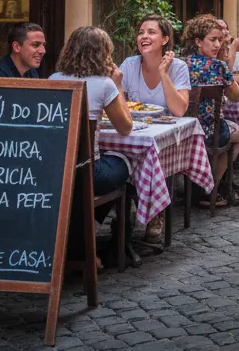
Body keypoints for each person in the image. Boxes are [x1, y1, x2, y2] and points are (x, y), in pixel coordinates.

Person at [48, 26, 135, 268]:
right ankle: (101, 236)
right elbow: (125, 128)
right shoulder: (104, 84)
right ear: (103, 53)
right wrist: (117, 85)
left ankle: (80, 238)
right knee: (124, 165)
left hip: (55, 170)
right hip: (88, 171)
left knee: (82, 179)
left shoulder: (53, 80)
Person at [181, 14, 239, 206]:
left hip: (185, 129)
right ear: (198, 41)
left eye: (219, 39)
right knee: (238, 135)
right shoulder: (219, 66)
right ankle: (213, 187)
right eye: (213, 40)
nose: (218, 44)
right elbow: (236, 97)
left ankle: (198, 183)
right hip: (211, 130)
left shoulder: (181, 64)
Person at [116, 15, 189, 117]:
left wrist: (163, 73)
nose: (144, 36)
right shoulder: (129, 65)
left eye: (151, 32)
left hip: (168, 129)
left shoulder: (178, 67)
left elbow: (179, 111)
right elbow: (114, 103)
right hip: (136, 128)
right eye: (141, 33)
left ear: (164, 40)